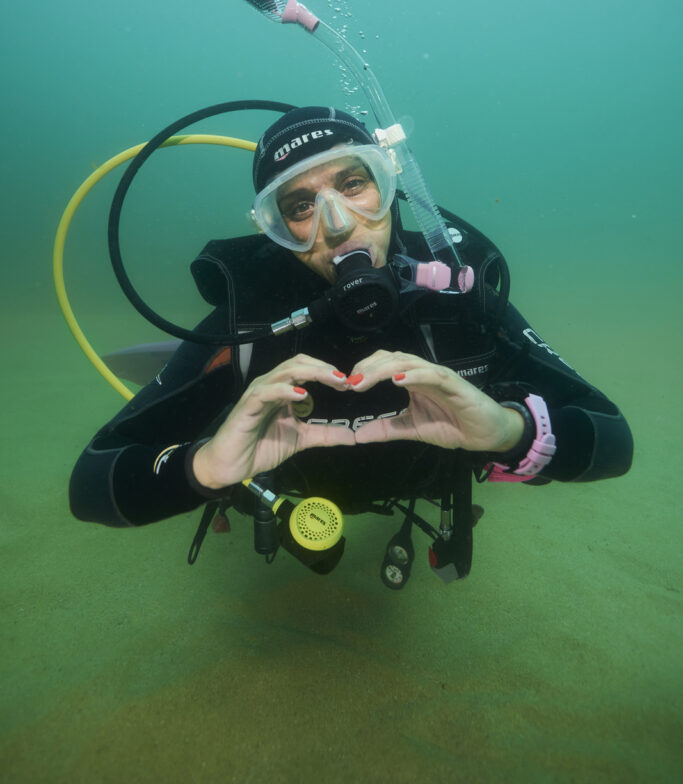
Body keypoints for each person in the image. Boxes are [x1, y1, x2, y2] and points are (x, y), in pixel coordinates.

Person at [69, 106, 633, 583]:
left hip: (419, 481)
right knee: (317, 560)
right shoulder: (247, 327)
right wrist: (203, 465)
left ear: (390, 187)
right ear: (277, 230)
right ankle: (206, 395)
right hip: (293, 492)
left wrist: (511, 431)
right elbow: (91, 481)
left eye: (353, 184)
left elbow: (612, 438)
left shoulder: (458, 297)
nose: (337, 225)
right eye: (299, 207)